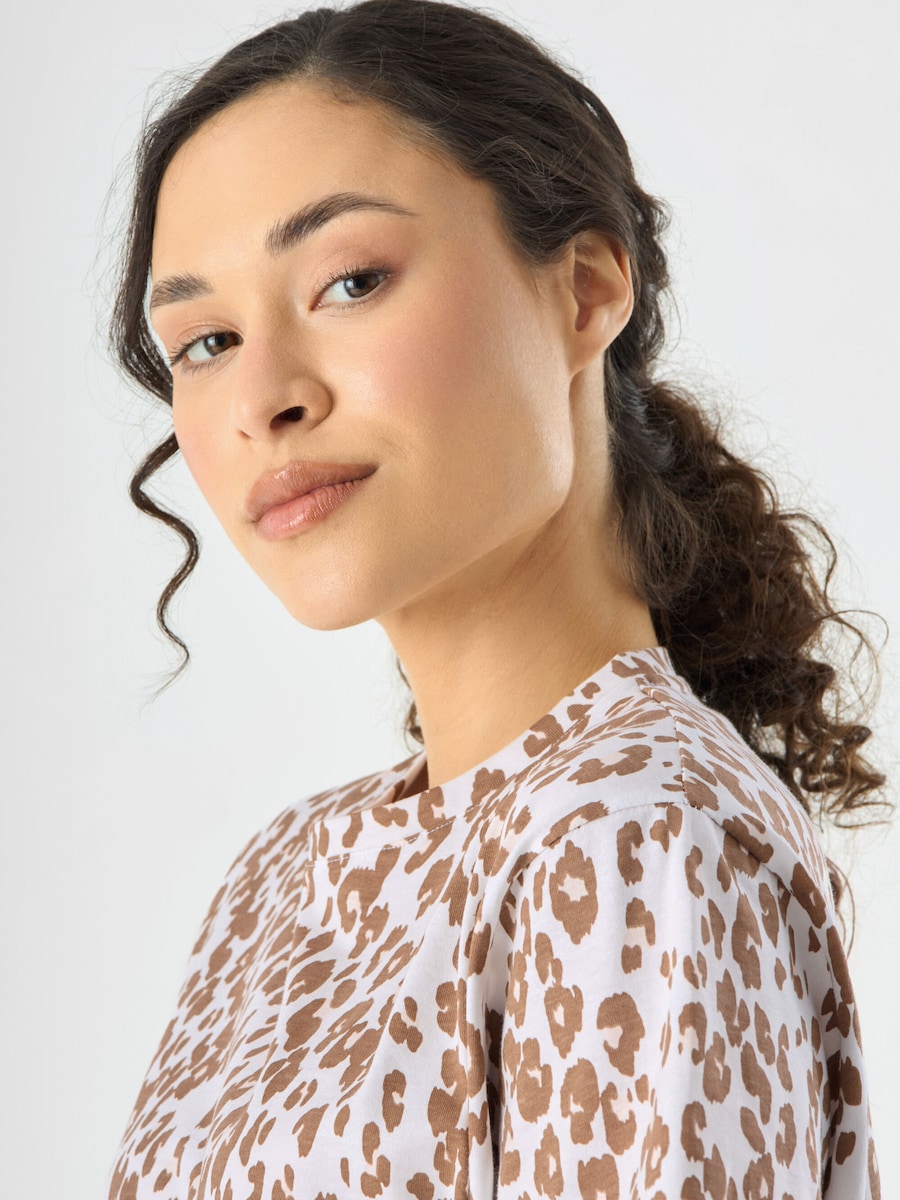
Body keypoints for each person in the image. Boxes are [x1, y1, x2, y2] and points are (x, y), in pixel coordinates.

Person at [106, 1, 888, 1196]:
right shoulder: (281, 878)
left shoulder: (636, 839)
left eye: (350, 280)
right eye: (204, 342)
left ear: (585, 291)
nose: (263, 398)